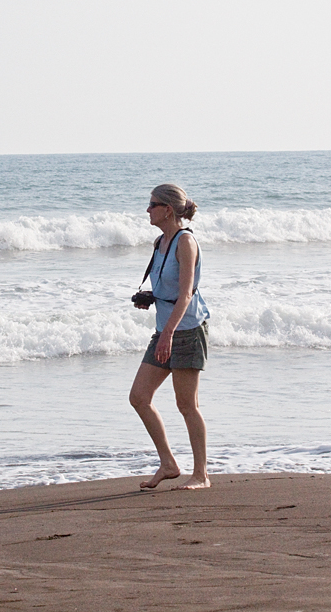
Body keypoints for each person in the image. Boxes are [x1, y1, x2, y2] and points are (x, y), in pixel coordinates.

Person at [129, 183, 211, 490]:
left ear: (167, 209)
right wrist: (150, 297)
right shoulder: (159, 243)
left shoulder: (185, 242)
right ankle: (168, 463)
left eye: (152, 204)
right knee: (139, 397)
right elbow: (171, 288)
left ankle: (201, 474)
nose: (147, 209)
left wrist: (168, 335)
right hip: (165, 329)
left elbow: (186, 295)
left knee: (187, 404)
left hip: (187, 330)